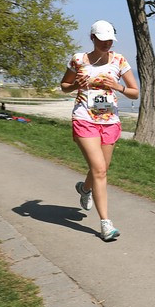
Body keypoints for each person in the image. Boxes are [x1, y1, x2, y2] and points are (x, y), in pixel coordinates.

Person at [59, 19, 139, 241]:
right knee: (100, 171)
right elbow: (64, 86)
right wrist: (78, 85)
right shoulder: (78, 60)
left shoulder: (119, 60)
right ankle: (106, 224)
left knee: (101, 168)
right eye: (103, 41)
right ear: (92, 38)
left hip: (110, 120)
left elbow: (135, 92)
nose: (107, 45)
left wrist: (117, 86)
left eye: (110, 41)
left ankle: (85, 189)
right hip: (84, 118)